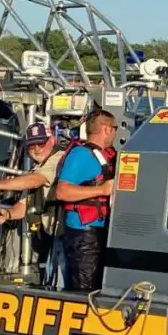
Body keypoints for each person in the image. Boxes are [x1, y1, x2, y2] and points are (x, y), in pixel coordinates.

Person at [0, 122, 67, 287]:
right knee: (53, 283)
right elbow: (24, 205)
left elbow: (35, 181)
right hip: (53, 239)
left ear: (52, 140)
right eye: (32, 147)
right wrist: (7, 214)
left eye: (41, 143)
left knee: (65, 288)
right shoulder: (37, 167)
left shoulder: (59, 157)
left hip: (68, 238)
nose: (37, 150)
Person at [53, 109, 118, 292]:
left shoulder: (106, 155)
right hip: (83, 235)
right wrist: (101, 189)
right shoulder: (81, 155)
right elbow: (62, 191)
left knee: (99, 286)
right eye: (115, 128)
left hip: (99, 231)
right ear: (106, 128)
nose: (115, 133)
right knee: (85, 289)